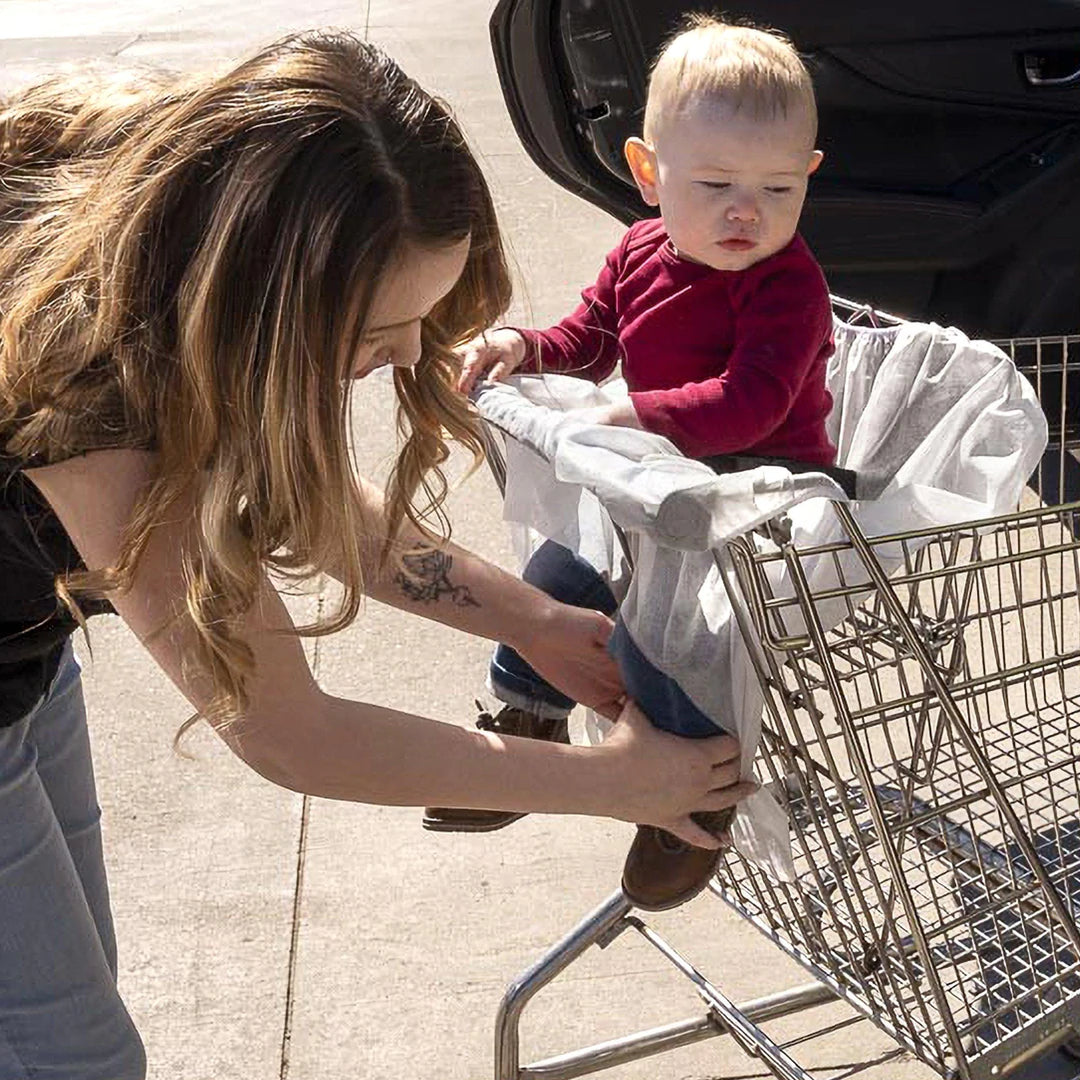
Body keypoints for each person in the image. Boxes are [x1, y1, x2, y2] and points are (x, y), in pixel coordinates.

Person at [0, 32, 755, 1078]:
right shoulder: (93, 382)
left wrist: (532, 621)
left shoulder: (190, 215)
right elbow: (292, 733)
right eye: (384, 324)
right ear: (270, 293)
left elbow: (302, 502)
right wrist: (614, 782)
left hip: (21, 652)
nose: (407, 354)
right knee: (70, 1057)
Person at [425, 16, 832, 909]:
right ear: (647, 174)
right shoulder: (639, 252)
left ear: (807, 179)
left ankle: (693, 796)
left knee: (678, 643)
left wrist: (630, 410)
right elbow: (590, 335)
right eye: (717, 182)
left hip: (764, 493)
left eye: (776, 188)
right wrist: (521, 346)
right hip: (659, 480)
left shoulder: (785, 284)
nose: (746, 212)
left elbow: (752, 402)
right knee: (559, 571)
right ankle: (525, 717)